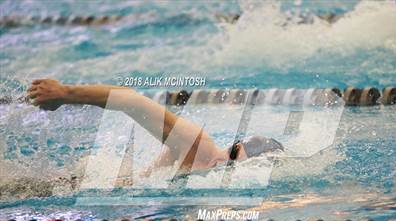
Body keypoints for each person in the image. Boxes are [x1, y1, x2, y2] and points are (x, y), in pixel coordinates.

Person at [27, 79, 283, 176]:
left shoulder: (207, 168)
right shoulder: (200, 147)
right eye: (231, 161)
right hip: (77, 180)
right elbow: (131, 100)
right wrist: (66, 93)